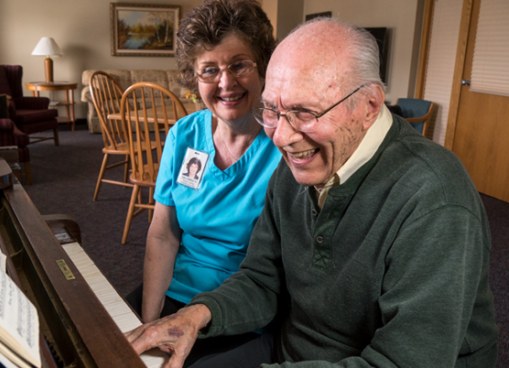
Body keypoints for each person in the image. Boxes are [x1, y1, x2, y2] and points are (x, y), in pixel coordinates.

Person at [125, 18, 499, 368]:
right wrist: (195, 316)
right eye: (271, 109)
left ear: (369, 106)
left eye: (304, 112)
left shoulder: (434, 198)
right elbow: (260, 278)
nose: (282, 137)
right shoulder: (297, 165)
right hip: (292, 352)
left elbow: (402, 361)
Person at [125, 0, 280, 364]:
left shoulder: (284, 146)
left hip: (244, 310)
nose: (226, 83)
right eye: (209, 70)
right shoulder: (184, 134)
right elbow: (163, 234)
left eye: (239, 64)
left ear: (263, 67)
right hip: (176, 291)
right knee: (104, 345)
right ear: (194, 78)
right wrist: (152, 319)